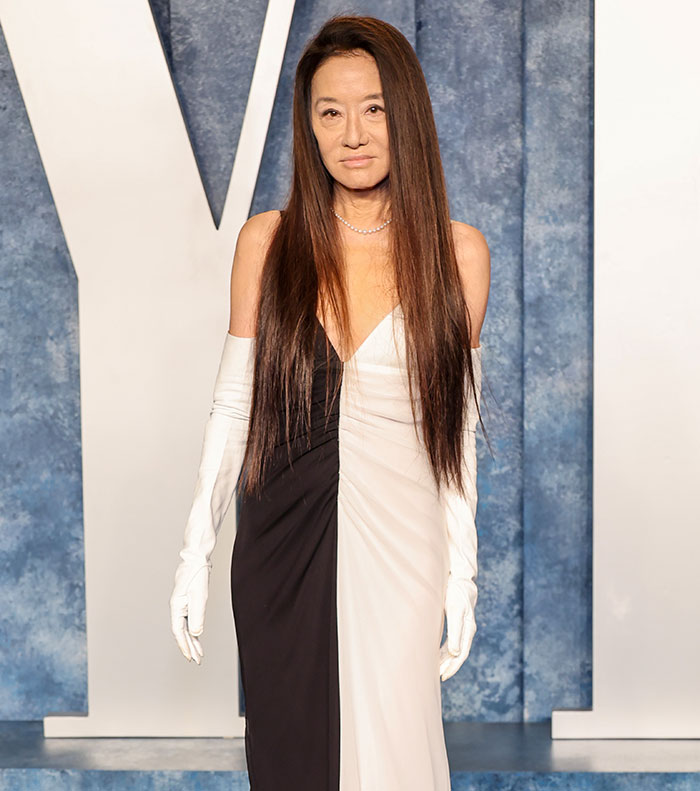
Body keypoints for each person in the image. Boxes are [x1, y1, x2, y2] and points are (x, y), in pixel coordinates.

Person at [169, 13, 490, 791]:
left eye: (374, 108)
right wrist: (195, 551)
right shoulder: (267, 243)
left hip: (403, 541)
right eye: (330, 111)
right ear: (308, 127)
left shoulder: (458, 255)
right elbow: (234, 405)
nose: (354, 133)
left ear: (405, 115)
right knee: (292, 758)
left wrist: (463, 570)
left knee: (396, 753)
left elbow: (455, 432)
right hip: (281, 540)